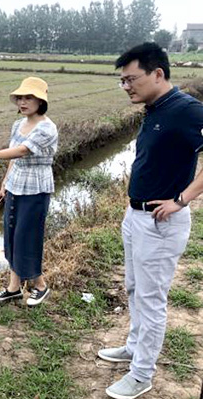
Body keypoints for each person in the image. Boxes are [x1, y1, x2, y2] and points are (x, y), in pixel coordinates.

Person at [97, 42, 203, 399]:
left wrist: (182, 199)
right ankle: (134, 346)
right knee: (133, 288)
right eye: (122, 81)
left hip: (160, 222)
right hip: (136, 215)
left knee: (151, 298)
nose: (127, 86)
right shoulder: (155, 108)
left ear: (158, 74)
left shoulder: (187, 110)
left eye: (131, 79)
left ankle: (142, 374)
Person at [0, 77, 58, 307]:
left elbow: (22, 151)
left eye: (29, 98)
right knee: (11, 236)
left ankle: (40, 286)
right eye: (20, 98)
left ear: (40, 101)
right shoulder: (18, 125)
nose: (23, 102)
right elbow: (12, 156)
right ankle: (14, 288)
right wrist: (4, 183)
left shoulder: (47, 127)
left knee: (27, 237)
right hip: (16, 185)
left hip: (35, 188)